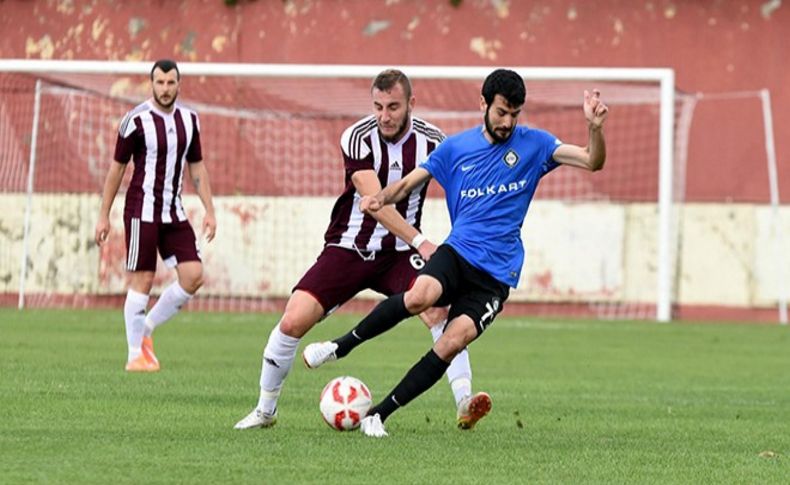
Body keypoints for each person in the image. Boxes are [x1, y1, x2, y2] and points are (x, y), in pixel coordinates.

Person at [304, 69, 609, 437]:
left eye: (514, 114)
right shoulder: (454, 149)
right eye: (500, 112)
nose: (507, 122)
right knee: (420, 296)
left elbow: (592, 161)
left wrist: (594, 128)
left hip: (496, 275)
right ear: (483, 104)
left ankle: (377, 416)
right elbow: (406, 184)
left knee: (451, 341)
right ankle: (338, 348)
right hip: (457, 252)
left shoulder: (536, 145)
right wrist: (381, 198)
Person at [234, 69, 488, 431]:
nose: (384, 115)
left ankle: (465, 400)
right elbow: (375, 201)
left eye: (393, 107)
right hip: (349, 247)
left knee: (438, 311)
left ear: (411, 104)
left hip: (401, 254)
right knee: (292, 320)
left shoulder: (435, 142)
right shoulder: (357, 137)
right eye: (378, 106)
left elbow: (463, 189)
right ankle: (265, 410)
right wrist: (422, 241)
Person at [94, 59, 216, 373]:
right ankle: (135, 354)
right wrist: (103, 215)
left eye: (170, 83)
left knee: (194, 276)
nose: (165, 89)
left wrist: (210, 209)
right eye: (159, 83)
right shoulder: (135, 120)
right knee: (143, 280)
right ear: (152, 84)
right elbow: (116, 170)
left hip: (173, 213)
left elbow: (197, 166)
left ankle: (145, 328)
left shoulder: (190, 120)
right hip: (141, 211)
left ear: (179, 84)